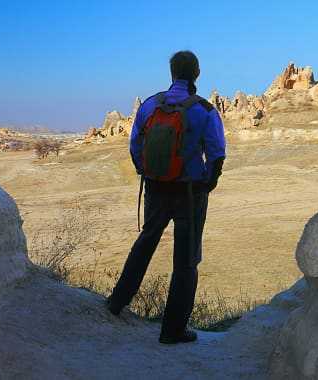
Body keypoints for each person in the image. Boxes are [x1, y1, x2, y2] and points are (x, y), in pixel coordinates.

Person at [106, 50, 226, 344]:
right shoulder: (205, 110)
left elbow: (135, 145)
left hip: (156, 187)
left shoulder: (150, 105)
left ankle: (117, 302)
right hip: (190, 192)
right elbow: (217, 153)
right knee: (186, 261)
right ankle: (172, 330)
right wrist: (206, 184)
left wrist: (147, 173)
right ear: (197, 74)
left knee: (146, 241)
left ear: (171, 73)